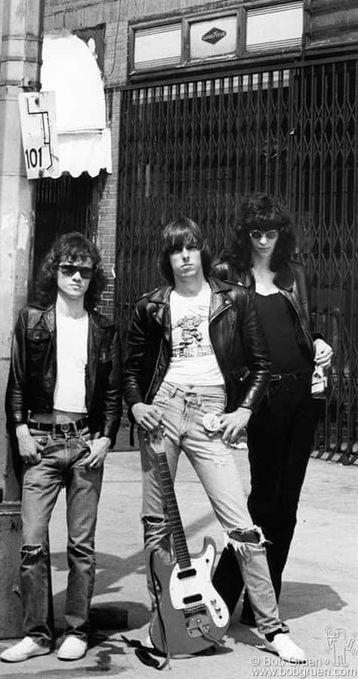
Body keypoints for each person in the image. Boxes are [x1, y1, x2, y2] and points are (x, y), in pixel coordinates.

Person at [123, 217, 306, 663]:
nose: (184, 258)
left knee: (242, 526)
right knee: (157, 523)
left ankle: (271, 626)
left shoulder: (234, 298)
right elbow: (130, 370)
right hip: (162, 410)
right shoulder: (151, 306)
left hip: (209, 414)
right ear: (167, 259)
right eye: (175, 251)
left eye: (190, 248)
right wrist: (136, 405)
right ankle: (163, 616)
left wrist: (241, 411)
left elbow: (260, 364)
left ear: (202, 251)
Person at [211, 194, 333, 625]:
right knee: (263, 501)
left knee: (288, 503)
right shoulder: (226, 274)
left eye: (271, 232)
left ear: (282, 234)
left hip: (303, 395)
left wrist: (320, 343)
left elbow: (304, 326)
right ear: (245, 234)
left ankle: (265, 600)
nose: (264, 241)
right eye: (256, 232)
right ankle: (224, 595)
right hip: (260, 397)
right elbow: (219, 337)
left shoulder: (295, 274)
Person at [1, 232, 122, 663]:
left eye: (84, 271)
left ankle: (77, 630)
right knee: (33, 544)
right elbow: (16, 380)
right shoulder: (33, 319)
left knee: (81, 546)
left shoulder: (104, 327)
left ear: (94, 278)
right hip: (42, 441)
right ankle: (36, 634)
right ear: (55, 271)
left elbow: (111, 392)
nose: (76, 277)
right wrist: (18, 429)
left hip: (85, 442)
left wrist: (107, 436)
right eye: (68, 269)